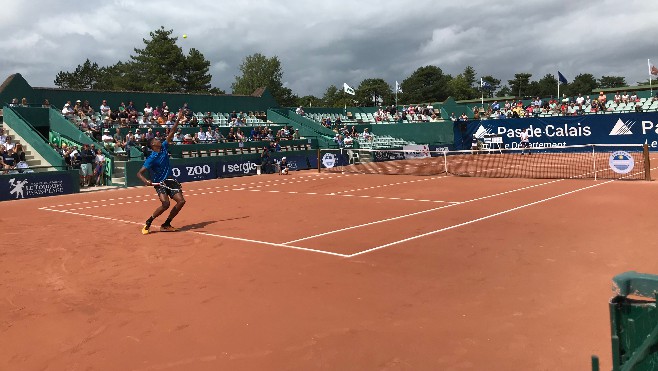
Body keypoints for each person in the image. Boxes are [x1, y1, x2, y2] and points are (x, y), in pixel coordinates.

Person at [136, 118, 185, 234]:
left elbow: (172, 131)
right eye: (156, 140)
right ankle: (149, 221)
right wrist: (146, 181)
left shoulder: (163, 147)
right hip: (160, 183)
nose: (159, 140)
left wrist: (178, 119)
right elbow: (139, 173)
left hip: (170, 180)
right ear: (153, 144)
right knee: (166, 204)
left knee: (181, 201)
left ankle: (166, 224)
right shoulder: (151, 158)